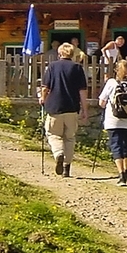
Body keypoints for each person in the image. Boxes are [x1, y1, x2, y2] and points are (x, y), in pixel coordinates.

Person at [39, 42, 89, 177]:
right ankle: (67, 168)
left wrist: (43, 98)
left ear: (59, 53)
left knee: (53, 134)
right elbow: (82, 91)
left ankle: (58, 153)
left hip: (55, 107)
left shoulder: (52, 66)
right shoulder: (77, 68)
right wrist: (85, 110)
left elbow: (45, 87)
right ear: (72, 54)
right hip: (72, 107)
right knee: (70, 138)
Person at [98, 59, 127, 186]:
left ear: (116, 70)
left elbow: (101, 102)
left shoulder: (111, 83)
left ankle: (121, 174)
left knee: (116, 145)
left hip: (113, 121)